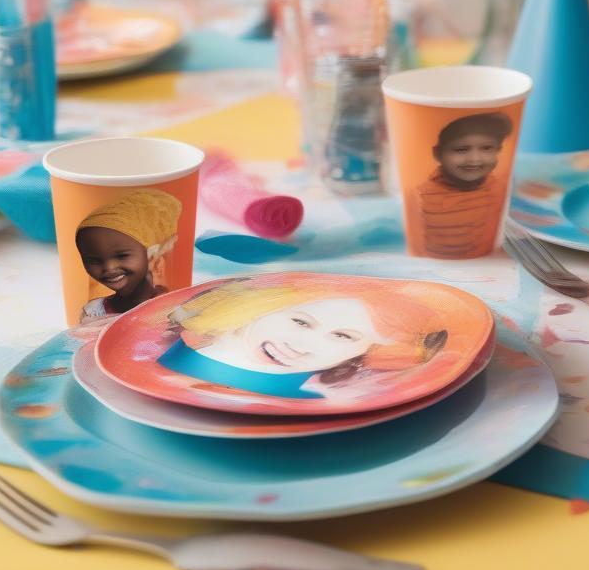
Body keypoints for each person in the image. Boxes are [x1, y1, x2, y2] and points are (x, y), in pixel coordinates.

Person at [160, 279, 448, 399]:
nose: (302, 344)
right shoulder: (171, 355)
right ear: (259, 310)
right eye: (300, 321)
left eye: (342, 336)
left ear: (363, 353)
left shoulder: (320, 398)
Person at [412, 112, 513, 259]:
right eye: (461, 149)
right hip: (434, 264)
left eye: (487, 148)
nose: (475, 159)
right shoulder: (421, 195)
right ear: (438, 154)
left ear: (498, 150)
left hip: (484, 264)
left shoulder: (497, 188)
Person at [75, 187, 180, 321]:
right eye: (94, 260)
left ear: (152, 254)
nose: (109, 267)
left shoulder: (171, 308)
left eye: (122, 256)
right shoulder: (92, 312)